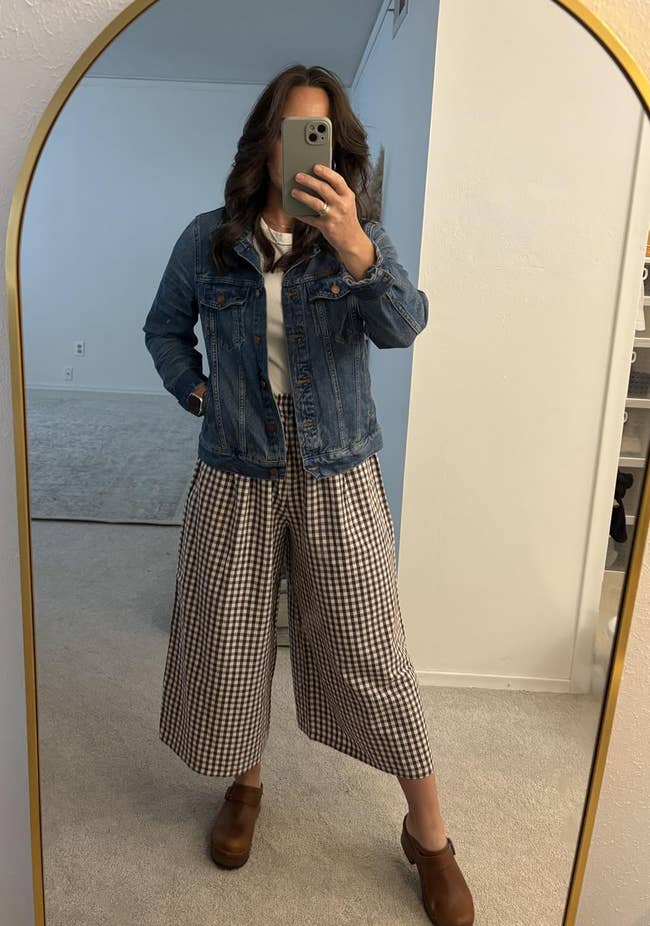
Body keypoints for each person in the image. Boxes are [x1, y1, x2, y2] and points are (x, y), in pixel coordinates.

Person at [142, 63, 474, 926]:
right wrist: (197, 392)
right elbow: (164, 329)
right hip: (235, 464)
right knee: (231, 638)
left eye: (316, 133)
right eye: (289, 130)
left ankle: (429, 834)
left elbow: (403, 325)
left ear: (336, 147)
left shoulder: (358, 237)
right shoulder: (208, 240)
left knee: (373, 648)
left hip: (338, 467)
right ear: (265, 141)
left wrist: (359, 250)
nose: (301, 150)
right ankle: (245, 784)